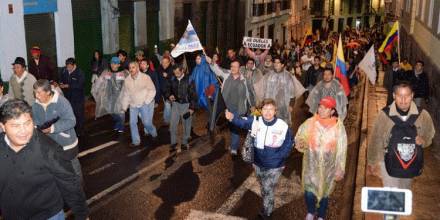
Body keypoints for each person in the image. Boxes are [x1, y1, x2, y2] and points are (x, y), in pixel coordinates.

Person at [0, 99, 88, 219]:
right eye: (15, 126)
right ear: (3, 127)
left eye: (27, 123)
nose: (23, 131)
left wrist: (83, 215)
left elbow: (69, 182)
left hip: (47, 215)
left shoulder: (48, 149)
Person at [367, 82, 435, 220]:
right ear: (394, 96)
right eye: (399, 96)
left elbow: (430, 134)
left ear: (412, 96)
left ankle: (396, 215)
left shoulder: (423, 115)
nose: (403, 100)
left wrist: (424, 140)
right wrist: (372, 162)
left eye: (407, 96)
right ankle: (390, 218)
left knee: (404, 192)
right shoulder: (384, 115)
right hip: (388, 161)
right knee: (391, 193)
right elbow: (376, 138)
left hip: (410, 162)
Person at [225, 98, 293, 219]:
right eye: (265, 109)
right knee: (263, 186)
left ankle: (268, 212)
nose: (267, 112)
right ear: (261, 111)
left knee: (267, 188)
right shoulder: (256, 121)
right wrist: (232, 118)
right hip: (258, 162)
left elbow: (289, 142)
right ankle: (267, 204)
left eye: (271, 109)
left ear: (275, 111)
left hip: (275, 165)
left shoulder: (282, 125)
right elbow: (243, 122)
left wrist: (280, 155)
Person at [295, 96, 347, 220]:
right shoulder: (310, 122)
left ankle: (321, 215)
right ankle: (311, 211)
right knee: (308, 190)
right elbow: (300, 136)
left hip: (328, 168)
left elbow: (342, 149)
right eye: (320, 107)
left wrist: (340, 167)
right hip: (311, 165)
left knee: (325, 192)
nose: (322, 110)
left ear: (332, 111)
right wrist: (300, 142)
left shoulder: (338, 127)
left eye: (326, 108)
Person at [32, 79, 83, 179]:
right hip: (49, 144)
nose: (36, 96)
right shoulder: (36, 105)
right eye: (35, 92)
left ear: (47, 92)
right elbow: (35, 121)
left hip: (66, 144)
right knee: (57, 168)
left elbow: (71, 121)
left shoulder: (62, 102)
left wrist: (52, 128)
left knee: (74, 169)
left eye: (38, 93)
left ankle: (80, 189)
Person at [208, 59, 254, 155]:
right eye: (232, 66)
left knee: (235, 127)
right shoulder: (227, 75)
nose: (233, 68)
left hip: (238, 108)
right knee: (226, 124)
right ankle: (215, 137)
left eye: (235, 66)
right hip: (225, 107)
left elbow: (249, 94)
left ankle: (233, 147)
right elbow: (218, 70)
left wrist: (252, 106)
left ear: (239, 68)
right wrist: (211, 62)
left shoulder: (244, 80)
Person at [120, 61, 157, 147]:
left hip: (143, 103)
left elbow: (152, 90)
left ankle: (153, 132)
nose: (131, 69)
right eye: (130, 68)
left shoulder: (145, 77)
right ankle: (136, 141)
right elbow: (126, 94)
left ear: (137, 68)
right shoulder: (127, 80)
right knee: (132, 122)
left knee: (146, 122)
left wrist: (146, 101)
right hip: (133, 105)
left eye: (133, 67)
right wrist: (124, 107)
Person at [262, 56, 305, 126]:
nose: (275, 64)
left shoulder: (288, 76)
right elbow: (264, 89)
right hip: (270, 105)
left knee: (282, 126)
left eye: (278, 63)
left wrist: (291, 105)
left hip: (283, 106)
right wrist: (264, 102)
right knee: (270, 125)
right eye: (275, 62)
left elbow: (292, 92)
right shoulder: (269, 75)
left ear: (282, 65)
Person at [165, 65, 198, 152]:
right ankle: (173, 142)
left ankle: (184, 142)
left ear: (182, 70)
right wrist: (169, 95)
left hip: (186, 105)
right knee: (172, 124)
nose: (176, 74)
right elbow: (167, 90)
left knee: (187, 125)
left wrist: (191, 108)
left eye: (178, 72)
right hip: (175, 104)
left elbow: (193, 95)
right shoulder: (172, 79)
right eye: (175, 73)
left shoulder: (189, 79)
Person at [91, 57, 128, 132]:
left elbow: (128, 84)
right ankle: (118, 121)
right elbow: (99, 81)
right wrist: (95, 89)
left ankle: (121, 125)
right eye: (112, 63)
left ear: (118, 64)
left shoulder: (123, 73)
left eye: (115, 63)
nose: (113, 65)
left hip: (120, 96)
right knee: (111, 111)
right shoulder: (106, 72)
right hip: (109, 96)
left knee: (120, 112)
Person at [59, 57, 85, 135]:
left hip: (78, 98)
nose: (68, 68)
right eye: (67, 66)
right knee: (70, 113)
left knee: (79, 114)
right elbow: (61, 79)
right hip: (68, 97)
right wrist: (60, 83)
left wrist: (68, 86)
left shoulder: (79, 73)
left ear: (74, 65)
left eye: (70, 66)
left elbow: (80, 85)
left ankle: (80, 131)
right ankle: (72, 129)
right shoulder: (64, 71)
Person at [157, 56, 174, 125]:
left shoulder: (172, 69)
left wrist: (168, 76)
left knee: (168, 105)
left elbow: (175, 80)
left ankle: (167, 121)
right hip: (163, 91)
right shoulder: (159, 69)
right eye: (163, 62)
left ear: (169, 62)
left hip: (170, 91)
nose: (164, 64)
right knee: (167, 105)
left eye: (166, 62)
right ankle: (167, 119)